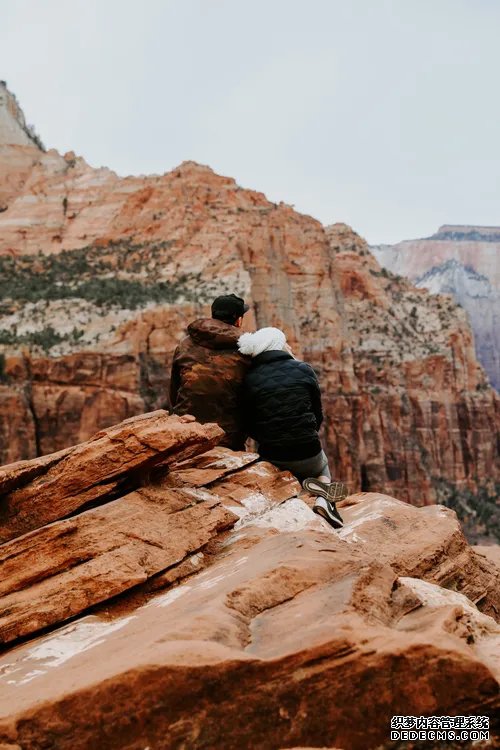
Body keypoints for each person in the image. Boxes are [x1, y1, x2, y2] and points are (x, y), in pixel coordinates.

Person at [238, 326, 346, 529]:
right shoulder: (303, 369)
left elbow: (248, 423)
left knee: (281, 466)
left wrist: (268, 437)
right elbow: (317, 413)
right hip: (308, 450)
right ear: (278, 345)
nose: (288, 345)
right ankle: (325, 501)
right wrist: (306, 432)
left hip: (273, 455)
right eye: (284, 341)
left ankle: (293, 497)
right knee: (323, 466)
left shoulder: (249, 379)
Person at [169, 294, 250, 450]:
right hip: (228, 437)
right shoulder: (246, 348)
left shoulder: (185, 344)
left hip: (186, 431)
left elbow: (175, 390)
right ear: (238, 320)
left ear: (213, 315)